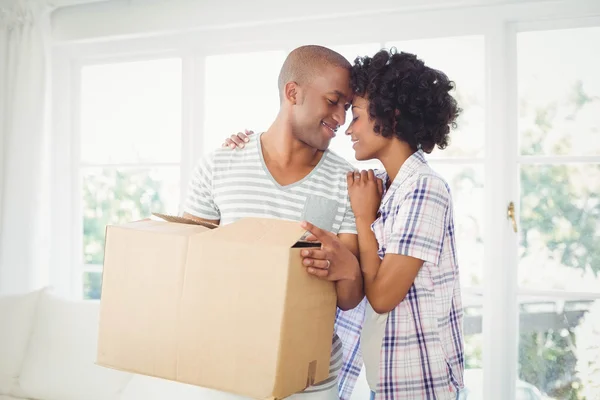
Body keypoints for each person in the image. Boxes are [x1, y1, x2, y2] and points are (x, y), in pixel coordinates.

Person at [223, 48, 465, 400]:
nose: (346, 127)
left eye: (357, 115)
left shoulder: (426, 189)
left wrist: (365, 219)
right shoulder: (384, 184)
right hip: (383, 379)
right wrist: (243, 144)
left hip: (419, 382)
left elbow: (381, 297)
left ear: (391, 118)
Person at [182, 45, 364, 400]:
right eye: (332, 101)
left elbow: (348, 299)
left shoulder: (346, 181)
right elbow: (189, 270)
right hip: (228, 372)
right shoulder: (220, 165)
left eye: (346, 107)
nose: (341, 119)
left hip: (310, 381)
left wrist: (349, 270)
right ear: (292, 92)